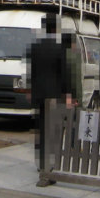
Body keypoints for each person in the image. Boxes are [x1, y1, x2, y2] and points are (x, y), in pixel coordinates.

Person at [29, 14, 77, 170]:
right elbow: (65, 73)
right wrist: (68, 94)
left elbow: (32, 71)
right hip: (54, 94)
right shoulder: (59, 47)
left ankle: (41, 163)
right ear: (55, 28)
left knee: (41, 129)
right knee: (54, 130)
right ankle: (52, 164)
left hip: (39, 93)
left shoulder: (35, 46)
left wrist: (32, 90)